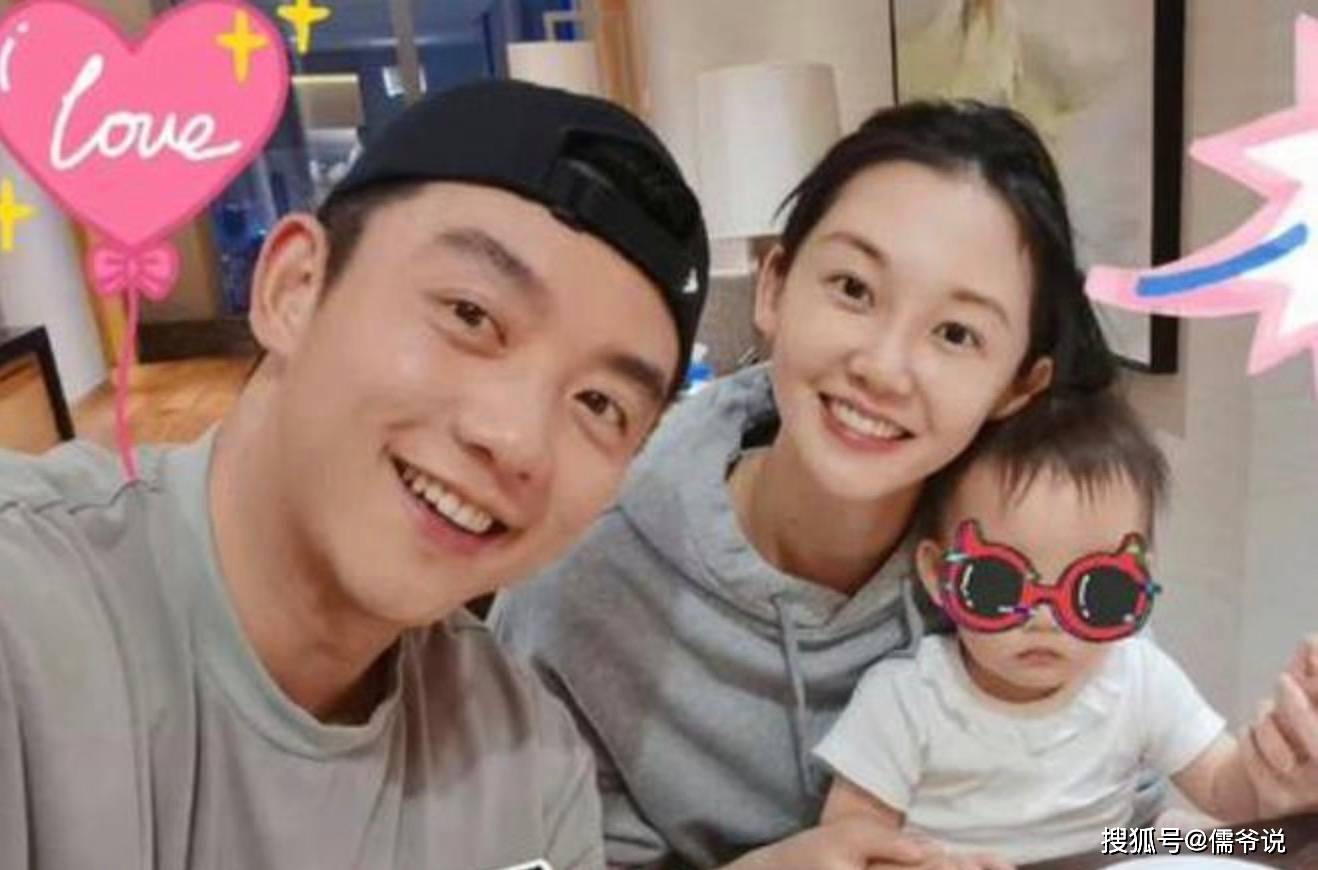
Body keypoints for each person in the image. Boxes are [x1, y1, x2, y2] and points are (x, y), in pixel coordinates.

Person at [489, 99, 1318, 869]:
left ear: (1019, 384)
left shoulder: (1029, 535)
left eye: (956, 333)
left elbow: (1134, 820)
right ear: (775, 287)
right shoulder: (583, 582)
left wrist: (1277, 793)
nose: (884, 368)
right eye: (854, 289)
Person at [0, 80, 710, 869]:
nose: (517, 441)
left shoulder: (529, 770)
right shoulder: (29, 622)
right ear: (294, 288)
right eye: (471, 315)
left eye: (600, 404)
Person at [816, 391, 1318, 867]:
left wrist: (1281, 754)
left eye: (1098, 592)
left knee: (1260, 843)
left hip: (1115, 850)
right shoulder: (907, 697)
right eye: (995, 584)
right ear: (937, 574)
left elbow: (1225, 793)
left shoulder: (1137, 675)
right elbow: (846, 843)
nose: (1045, 619)